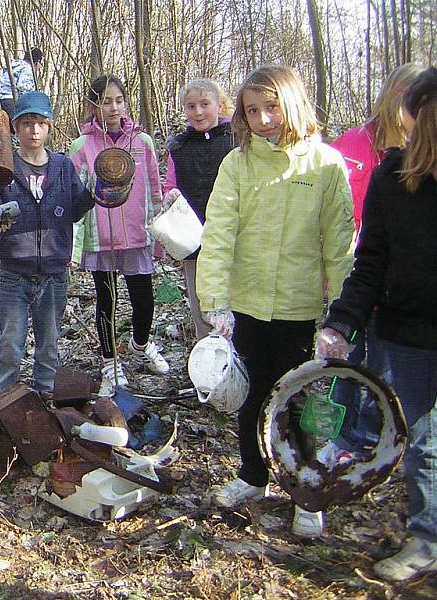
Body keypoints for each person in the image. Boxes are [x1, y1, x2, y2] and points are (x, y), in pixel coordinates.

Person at [196, 65, 354, 539]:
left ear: (292, 103)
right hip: (246, 303)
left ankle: (304, 491)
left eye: (271, 107)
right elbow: (219, 233)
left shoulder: (325, 165)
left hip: (297, 305)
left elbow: (340, 242)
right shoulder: (237, 164)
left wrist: (342, 317)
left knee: (297, 397)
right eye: (252, 111)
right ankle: (252, 475)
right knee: (250, 394)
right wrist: (216, 300)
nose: (264, 119)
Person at [317, 66, 437, 582]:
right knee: (424, 441)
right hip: (408, 334)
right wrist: (341, 322)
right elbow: (372, 261)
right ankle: (427, 538)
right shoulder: (393, 177)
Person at [321, 63, 426, 465]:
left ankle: (371, 437)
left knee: (385, 369)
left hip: (400, 287)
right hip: (356, 275)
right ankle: (342, 438)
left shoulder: (423, 155)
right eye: (400, 92)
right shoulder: (353, 143)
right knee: (347, 360)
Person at [0, 91, 93, 396]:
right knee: (10, 342)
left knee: (49, 342)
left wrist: (98, 191)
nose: (34, 130)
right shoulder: (4, 169)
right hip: (14, 272)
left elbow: (76, 208)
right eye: (27, 123)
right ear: (15, 127)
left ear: (49, 126)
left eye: (40, 123)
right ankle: (4, 399)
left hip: (54, 272)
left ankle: (44, 397)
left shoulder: (62, 166)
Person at [69, 74, 168, 396]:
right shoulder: (82, 146)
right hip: (102, 238)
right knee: (106, 302)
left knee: (144, 300)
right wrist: (75, 244)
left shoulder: (142, 143)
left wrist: (159, 235)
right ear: (93, 105)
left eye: (118, 100)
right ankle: (110, 362)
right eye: (105, 101)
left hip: (138, 235)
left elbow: (154, 189)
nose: (112, 107)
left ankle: (141, 343)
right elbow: (75, 195)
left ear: (126, 103)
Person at [163, 78, 235, 339]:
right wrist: (169, 198)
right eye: (191, 106)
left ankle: (240, 360)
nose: (199, 112)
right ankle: (208, 358)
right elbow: (170, 186)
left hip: (233, 238)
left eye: (205, 104)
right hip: (193, 240)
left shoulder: (235, 140)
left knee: (236, 302)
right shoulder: (179, 147)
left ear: (219, 105)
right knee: (201, 302)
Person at [0, 47, 43, 122]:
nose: (40, 67)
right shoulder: (27, 68)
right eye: (40, 63)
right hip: (10, 102)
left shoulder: (12, 65)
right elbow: (24, 89)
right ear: (37, 62)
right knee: (23, 128)